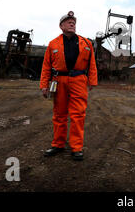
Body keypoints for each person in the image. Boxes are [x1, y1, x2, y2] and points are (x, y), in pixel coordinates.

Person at [40, 11, 97, 161]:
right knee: (59, 114)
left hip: (79, 80)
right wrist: (44, 85)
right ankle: (58, 144)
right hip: (59, 81)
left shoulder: (86, 43)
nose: (72, 23)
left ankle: (76, 147)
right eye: (68, 21)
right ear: (61, 26)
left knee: (78, 114)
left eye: (73, 22)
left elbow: (92, 64)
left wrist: (92, 80)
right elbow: (46, 66)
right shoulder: (53, 44)